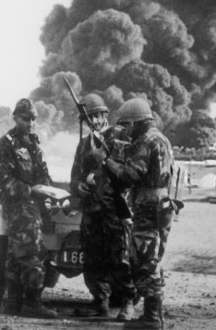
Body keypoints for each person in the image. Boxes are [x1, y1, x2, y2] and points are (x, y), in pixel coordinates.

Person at [105, 98, 176, 330]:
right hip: (163, 205)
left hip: (147, 206)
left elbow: (130, 174)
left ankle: (152, 318)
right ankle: (154, 314)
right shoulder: (161, 139)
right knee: (153, 259)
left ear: (136, 122)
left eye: (127, 125)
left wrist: (107, 162)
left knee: (143, 261)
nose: (125, 130)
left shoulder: (145, 141)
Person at [70, 93, 135, 321]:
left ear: (105, 115)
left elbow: (131, 173)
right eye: (90, 118)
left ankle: (128, 302)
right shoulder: (83, 144)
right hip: (92, 209)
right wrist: (80, 186)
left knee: (120, 257)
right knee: (92, 258)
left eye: (98, 116)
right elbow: (74, 177)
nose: (95, 122)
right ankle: (100, 301)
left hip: (115, 209)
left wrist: (106, 159)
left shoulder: (119, 137)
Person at [0, 98, 57, 319]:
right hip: (18, 206)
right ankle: (32, 303)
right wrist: (31, 191)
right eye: (25, 118)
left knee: (15, 254)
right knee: (32, 251)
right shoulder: (7, 144)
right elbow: (4, 180)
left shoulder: (33, 144)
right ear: (15, 118)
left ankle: (13, 304)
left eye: (33, 119)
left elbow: (42, 172)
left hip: (33, 205)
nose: (30, 123)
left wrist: (47, 190)